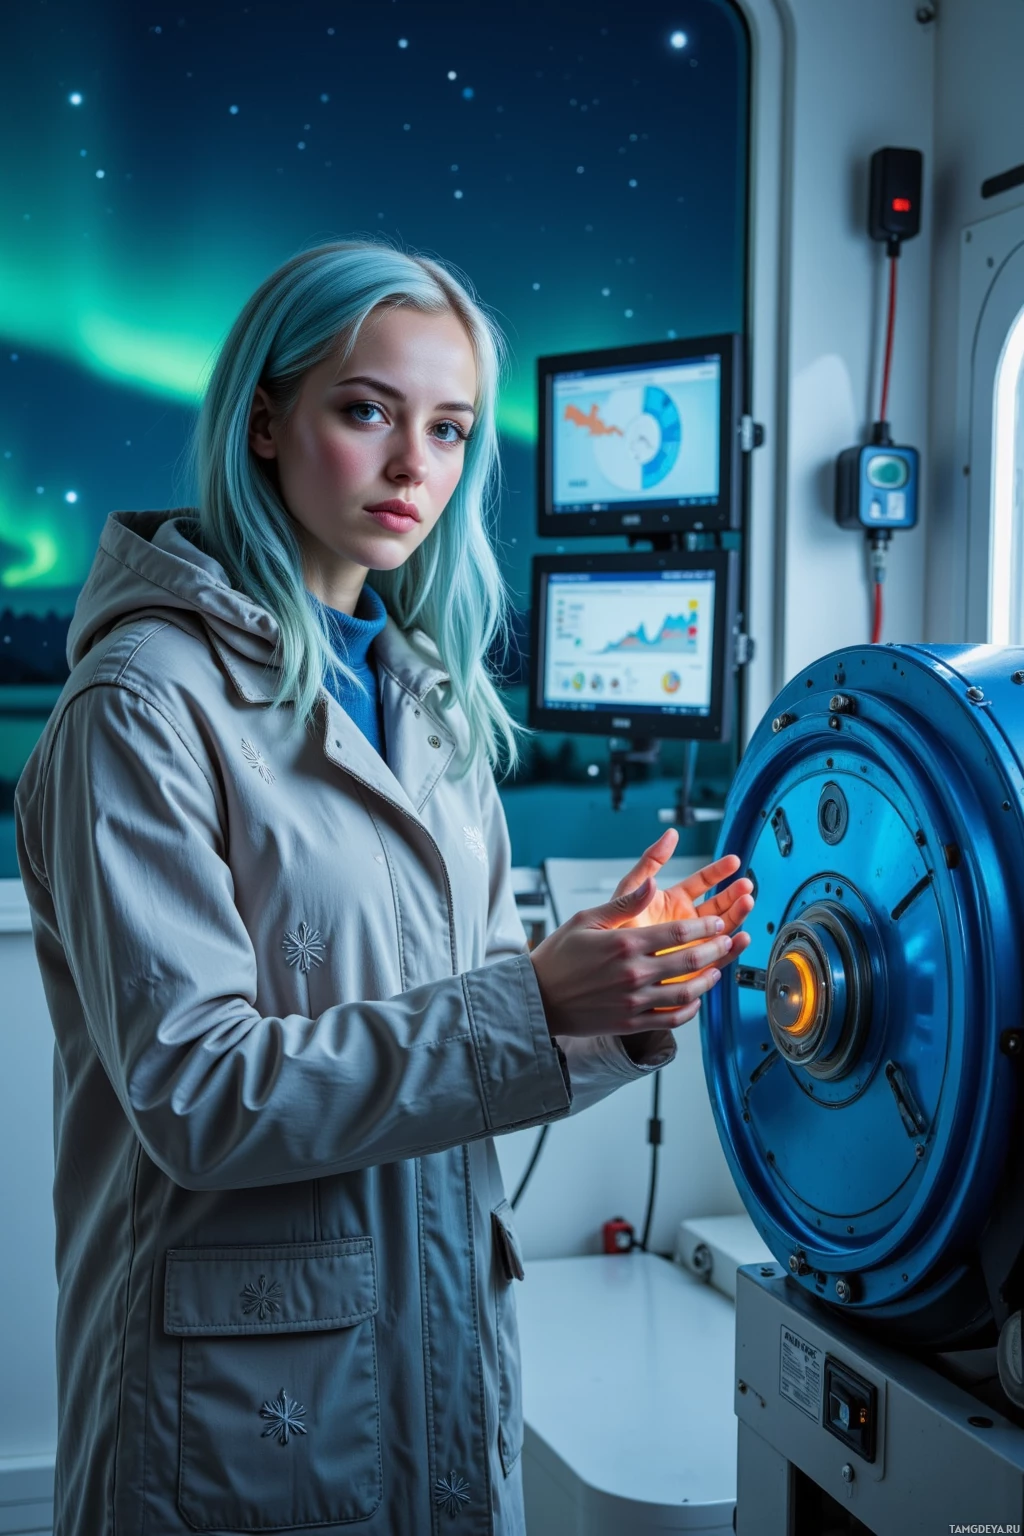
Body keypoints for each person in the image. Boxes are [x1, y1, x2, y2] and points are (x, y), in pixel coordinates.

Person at [14, 240, 754, 1536]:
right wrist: (535, 1001)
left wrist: (623, 995)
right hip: (243, 1391)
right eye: (368, 412)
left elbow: (490, 1029)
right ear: (264, 418)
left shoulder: (429, 696)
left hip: (443, 1334)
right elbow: (198, 1095)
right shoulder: (139, 706)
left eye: (453, 428)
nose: (418, 466)